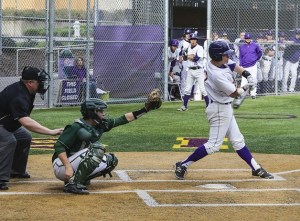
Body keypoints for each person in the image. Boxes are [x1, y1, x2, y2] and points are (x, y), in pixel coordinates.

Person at [174, 41, 273, 180]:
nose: (228, 57)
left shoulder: (219, 62)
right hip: (219, 109)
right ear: (217, 56)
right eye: (225, 55)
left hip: (225, 108)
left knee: (238, 141)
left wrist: (247, 75)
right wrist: (246, 87)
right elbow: (234, 94)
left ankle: (256, 168)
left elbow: (234, 66)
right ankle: (182, 165)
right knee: (213, 145)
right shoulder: (216, 75)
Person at [52, 95, 161, 194]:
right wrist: (67, 167)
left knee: (111, 160)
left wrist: (145, 109)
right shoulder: (76, 126)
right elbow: (59, 146)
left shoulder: (100, 124)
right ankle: (73, 184)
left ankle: (79, 179)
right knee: (97, 148)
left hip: (74, 162)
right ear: (92, 112)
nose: (103, 113)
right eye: (100, 111)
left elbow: (123, 119)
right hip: (61, 165)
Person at [0, 66, 64, 190]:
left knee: (24, 137)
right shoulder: (18, 95)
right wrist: (50, 131)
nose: (42, 84)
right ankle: (1, 177)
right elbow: (26, 122)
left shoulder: (26, 90)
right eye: (39, 81)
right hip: (2, 124)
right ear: (30, 82)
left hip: (5, 123)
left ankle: (16, 170)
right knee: (9, 140)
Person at [177, 33, 209, 111]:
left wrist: (188, 56)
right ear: (190, 40)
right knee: (187, 89)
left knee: (202, 89)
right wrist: (188, 56)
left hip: (199, 70)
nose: (193, 41)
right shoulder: (187, 48)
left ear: (196, 40)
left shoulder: (200, 48)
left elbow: (196, 58)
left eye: (194, 39)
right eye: (192, 40)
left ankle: (209, 106)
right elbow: (183, 58)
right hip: (190, 70)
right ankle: (184, 106)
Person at [237, 33, 262, 99]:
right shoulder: (242, 47)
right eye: (247, 38)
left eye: (249, 38)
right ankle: (242, 94)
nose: (248, 39)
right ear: (245, 39)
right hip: (244, 66)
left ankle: (253, 94)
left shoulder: (255, 45)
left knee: (253, 79)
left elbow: (260, 53)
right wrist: (241, 65)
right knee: (244, 80)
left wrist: (256, 59)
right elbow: (240, 57)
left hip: (253, 65)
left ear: (251, 39)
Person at [178, 28, 192, 95]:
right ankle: (183, 94)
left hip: (190, 62)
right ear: (184, 35)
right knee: (183, 78)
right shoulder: (181, 43)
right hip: (184, 61)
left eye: (189, 34)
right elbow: (178, 54)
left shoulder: (192, 43)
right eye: (187, 34)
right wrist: (180, 62)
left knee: (190, 79)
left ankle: (188, 93)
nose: (188, 35)